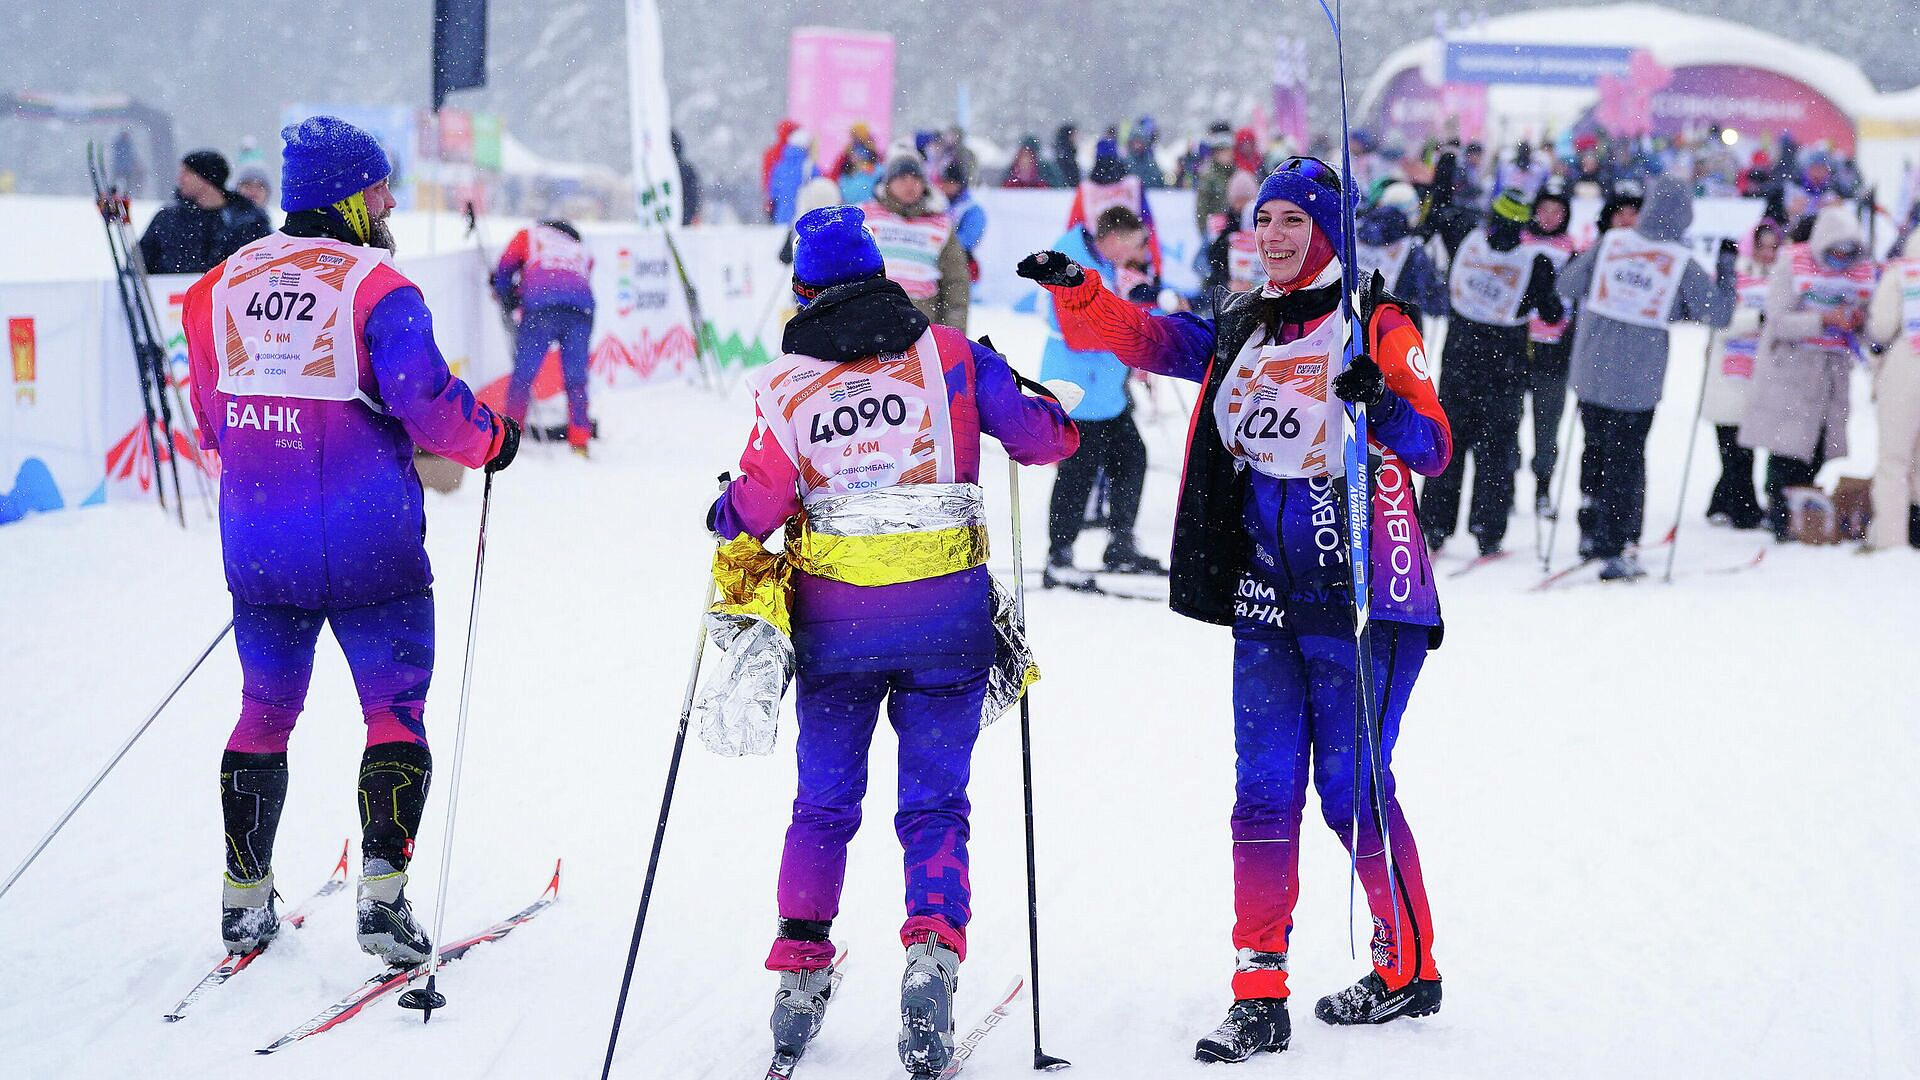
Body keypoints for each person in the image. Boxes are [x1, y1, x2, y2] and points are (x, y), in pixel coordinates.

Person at [1018, 156, 1451, 1063]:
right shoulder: (1242, 324)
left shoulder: (1375, 322)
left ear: (1329, 231)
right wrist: (1081, 292)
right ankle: (1259, 991)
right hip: (1265, 597)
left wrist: (1378, 403)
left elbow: (1433, 445)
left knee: (1351, 792)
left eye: (1295, 221)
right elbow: (1148, 339)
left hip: (1364, 598)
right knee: (1260, 795)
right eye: (1264, 220)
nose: (1274, 237)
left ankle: (1409, 967)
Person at [708, 205, 1078, 1075]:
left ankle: (800, 976)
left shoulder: (785, 385)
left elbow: (755, 507)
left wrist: (722, 508)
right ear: (884, 278)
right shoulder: (949, 354)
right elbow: (1045, 439)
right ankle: (931, 958)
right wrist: (1017, 385)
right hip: (947, 623)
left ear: (803, 292)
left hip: (836, 627)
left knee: (824, 804)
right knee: (935, 804)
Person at [180, 116, 519, 965]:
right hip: (372, 544)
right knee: (393, 711)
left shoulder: (215, 287)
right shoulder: (380, 288)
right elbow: (429, 407)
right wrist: (494, 439)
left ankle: (242, 897)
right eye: (379, 188)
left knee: (264, 712)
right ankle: (382, 897)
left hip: (263, 539)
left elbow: (211, 419)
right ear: (345, 198)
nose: (390, 203)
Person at [1557, 176, 1736, 579]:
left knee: (1594, 450)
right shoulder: (1679, 260)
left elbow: (1567, 284)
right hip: (1637, 380)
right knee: (1626, 461)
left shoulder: (1612, 242)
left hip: (1592, 369)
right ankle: (1617, 543)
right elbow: (1718, 313)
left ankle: (1590, 526)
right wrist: (1726, 269)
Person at [1417, 189, 1565, 558]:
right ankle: (1488, 530)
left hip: (1460, 362)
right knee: (1495, 453)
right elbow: (1552, 314)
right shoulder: (1536, 263)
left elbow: (1438, 211)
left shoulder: (1465, 239)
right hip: (1505, 369)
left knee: (1449, 446)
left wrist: (1445, 172)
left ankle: (1435, 525)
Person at [1038, 205, 1164, 583]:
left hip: (1106, 389)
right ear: (1113, 238)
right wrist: (1137, 330)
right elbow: (1078, 332)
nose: (1139, 255)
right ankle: (1059, 555)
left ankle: (1120, 544)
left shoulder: (1107, 261)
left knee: (1131, 457)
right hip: (1077, 388)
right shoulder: (1068, 260)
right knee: (1078, 470)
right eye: (1135, 245)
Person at [1740, 205, 1876, 541]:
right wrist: (1823, 320)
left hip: (1833, 371)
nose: (1841, 258)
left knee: (1818, 445)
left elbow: (1870, 327)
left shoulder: (1860, 273)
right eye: (1835, 251)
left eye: (1847, 252)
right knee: (1787, 447)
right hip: (1792, 369)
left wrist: (1858, 323)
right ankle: (1782, 514)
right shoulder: (1792, 263)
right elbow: (1778, 321)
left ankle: (1804, 511)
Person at [1699, 220, 1784, 529]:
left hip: (1762, 371)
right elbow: (1719, 321)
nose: (1768, 253)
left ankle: (1723, 503)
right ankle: (1744, 509)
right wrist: (1756, 320)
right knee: (1733, 446)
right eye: (1762, 247)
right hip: (1729, 372)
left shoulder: (1781, 277)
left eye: (1774, 247)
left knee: (1745, 446)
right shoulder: (1732, 276)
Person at [493, 218, 596, 454]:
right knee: (576, 379)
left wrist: (507, 294)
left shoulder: (529, 234)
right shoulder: (579, 247)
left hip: (542, 305)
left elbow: (505, 267)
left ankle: (510, 437)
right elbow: (585, 273)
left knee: (524, 374)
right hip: (580, 309)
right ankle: (580, 440)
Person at [861, 148, 970, 332]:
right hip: (872, 321)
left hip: (921, 324)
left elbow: (955, 282)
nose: (910, 184)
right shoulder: (867, 217)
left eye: (915, 178)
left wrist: (953, 333)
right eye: (902, 178)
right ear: (888, 182)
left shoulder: (941, 225)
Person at [1522, 179, 1579, 514]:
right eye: (1544, 209)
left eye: (1557, 211)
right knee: (1508, 421)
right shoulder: (1519, 241)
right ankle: (1504, 486)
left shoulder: (1574, 249)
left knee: (1547, 424)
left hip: (1554, 349)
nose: (1549, 217)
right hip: (1517, 344)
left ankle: (1543, 487)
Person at [1864, 231, 1920, 550]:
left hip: (1906, 365)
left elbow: (1882, 326)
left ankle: (1891, 538)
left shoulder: (1901, 274)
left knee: (1894, 460)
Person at [138, 149, 273, 275]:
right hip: (171, 292)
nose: (180, 179)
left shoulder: (248, 220)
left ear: (205, 178)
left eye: (187, 173)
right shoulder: (168, 219)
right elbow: (139, 265)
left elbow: (266, 265)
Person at [1353, 181, 1446, 315]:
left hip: (1340, 314)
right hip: (1383, 320)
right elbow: (1434, 304)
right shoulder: (1412, 249)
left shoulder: (1354, 227)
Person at [935, 161, 986, 282]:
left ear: (960, 184)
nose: (945, 186)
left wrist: (940, 245)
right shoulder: (937, 203)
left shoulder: (971, 209)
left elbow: (968, 240)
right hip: (935, 261)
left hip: (961, 262)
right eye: (944, 182)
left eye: (950, 182)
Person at [1195, 123, 1239, 240]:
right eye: (1223, 151)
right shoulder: (1208, 176)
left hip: (1234, 227)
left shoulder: (1236, 172)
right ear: (1216, 153)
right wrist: (1204, 231)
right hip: (1215, 228)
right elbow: (1202, 207)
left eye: (1229, 151)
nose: (1227, 155)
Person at [767, 127, 818, 225]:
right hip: (802, 216)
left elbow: (773, 193)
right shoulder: (810, 167)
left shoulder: (779, 167)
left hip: (781, 216)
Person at [1125, 116, 1166, 188]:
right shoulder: (1125, 162)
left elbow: (1158, 180)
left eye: (1140, 143)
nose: (1137, 146)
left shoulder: (1150, 162)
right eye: (1135, 142)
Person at [1051, 122, 1082, 189]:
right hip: (1065, 190)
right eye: (1074, 135)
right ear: (1068, 136)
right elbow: (1067, 174)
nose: (1076, 137)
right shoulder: (1065, 154)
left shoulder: (1067, 152)